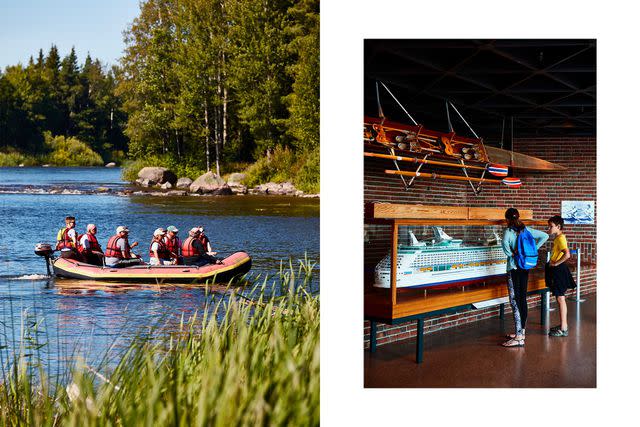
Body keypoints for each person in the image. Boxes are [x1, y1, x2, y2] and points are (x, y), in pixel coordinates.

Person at [501, 208, 549, 347]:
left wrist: (514, 254)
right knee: (522, 298)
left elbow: (506, 249)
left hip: (514, 268)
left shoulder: (508, 232)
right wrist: (532, 250)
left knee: (515, 300)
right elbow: (545, 236)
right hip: (525, 268)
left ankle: (519, 337)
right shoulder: (526, 229)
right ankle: (521, 331)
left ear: (507, 219)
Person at [545, 215, 576, 337]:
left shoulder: (560, 238)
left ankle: (563, 328)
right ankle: (563, 325)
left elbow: (567, 254)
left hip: (559, 270)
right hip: (557, 269)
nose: (549, 228)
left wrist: (556, 263)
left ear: (558, 226)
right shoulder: (558, 237)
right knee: (560, 298)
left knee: (560, 298)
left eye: (551, 226)